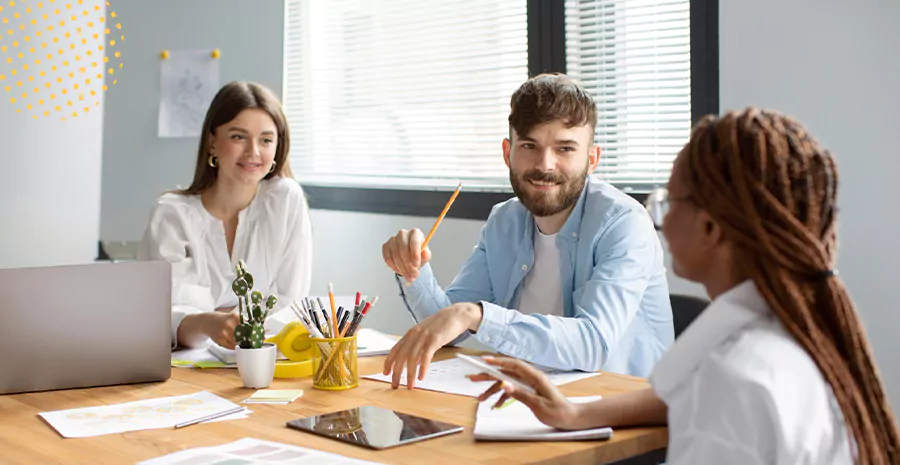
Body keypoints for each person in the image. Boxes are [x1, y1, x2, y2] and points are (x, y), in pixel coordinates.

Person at [470, 108, 900, 464]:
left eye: (669, 201)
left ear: (711, 227)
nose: (660, 219)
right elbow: (678, 397)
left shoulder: (736, 382)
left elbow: (715, 401)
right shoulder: (791, 331)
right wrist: (574, 412)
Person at [381, 73, 673, 389]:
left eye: (565, 149)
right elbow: (449, 326)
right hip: (527, 402)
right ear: (508, 152)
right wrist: (413, 270)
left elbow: (594, 344)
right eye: (530, 145)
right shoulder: (503, 220)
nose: (545, 165)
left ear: (591, 159)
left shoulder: (624, 222)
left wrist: (476, 315)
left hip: (621, 416)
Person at [138, 81, 313, 349]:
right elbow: (159, 318)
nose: (253, 152)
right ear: (212, 142)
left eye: (266, 140)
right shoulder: (171, 214)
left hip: (266, 359)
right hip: (184, 369)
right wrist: (207, 323)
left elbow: (292, 302)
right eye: (238, 137)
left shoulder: (286, 200)